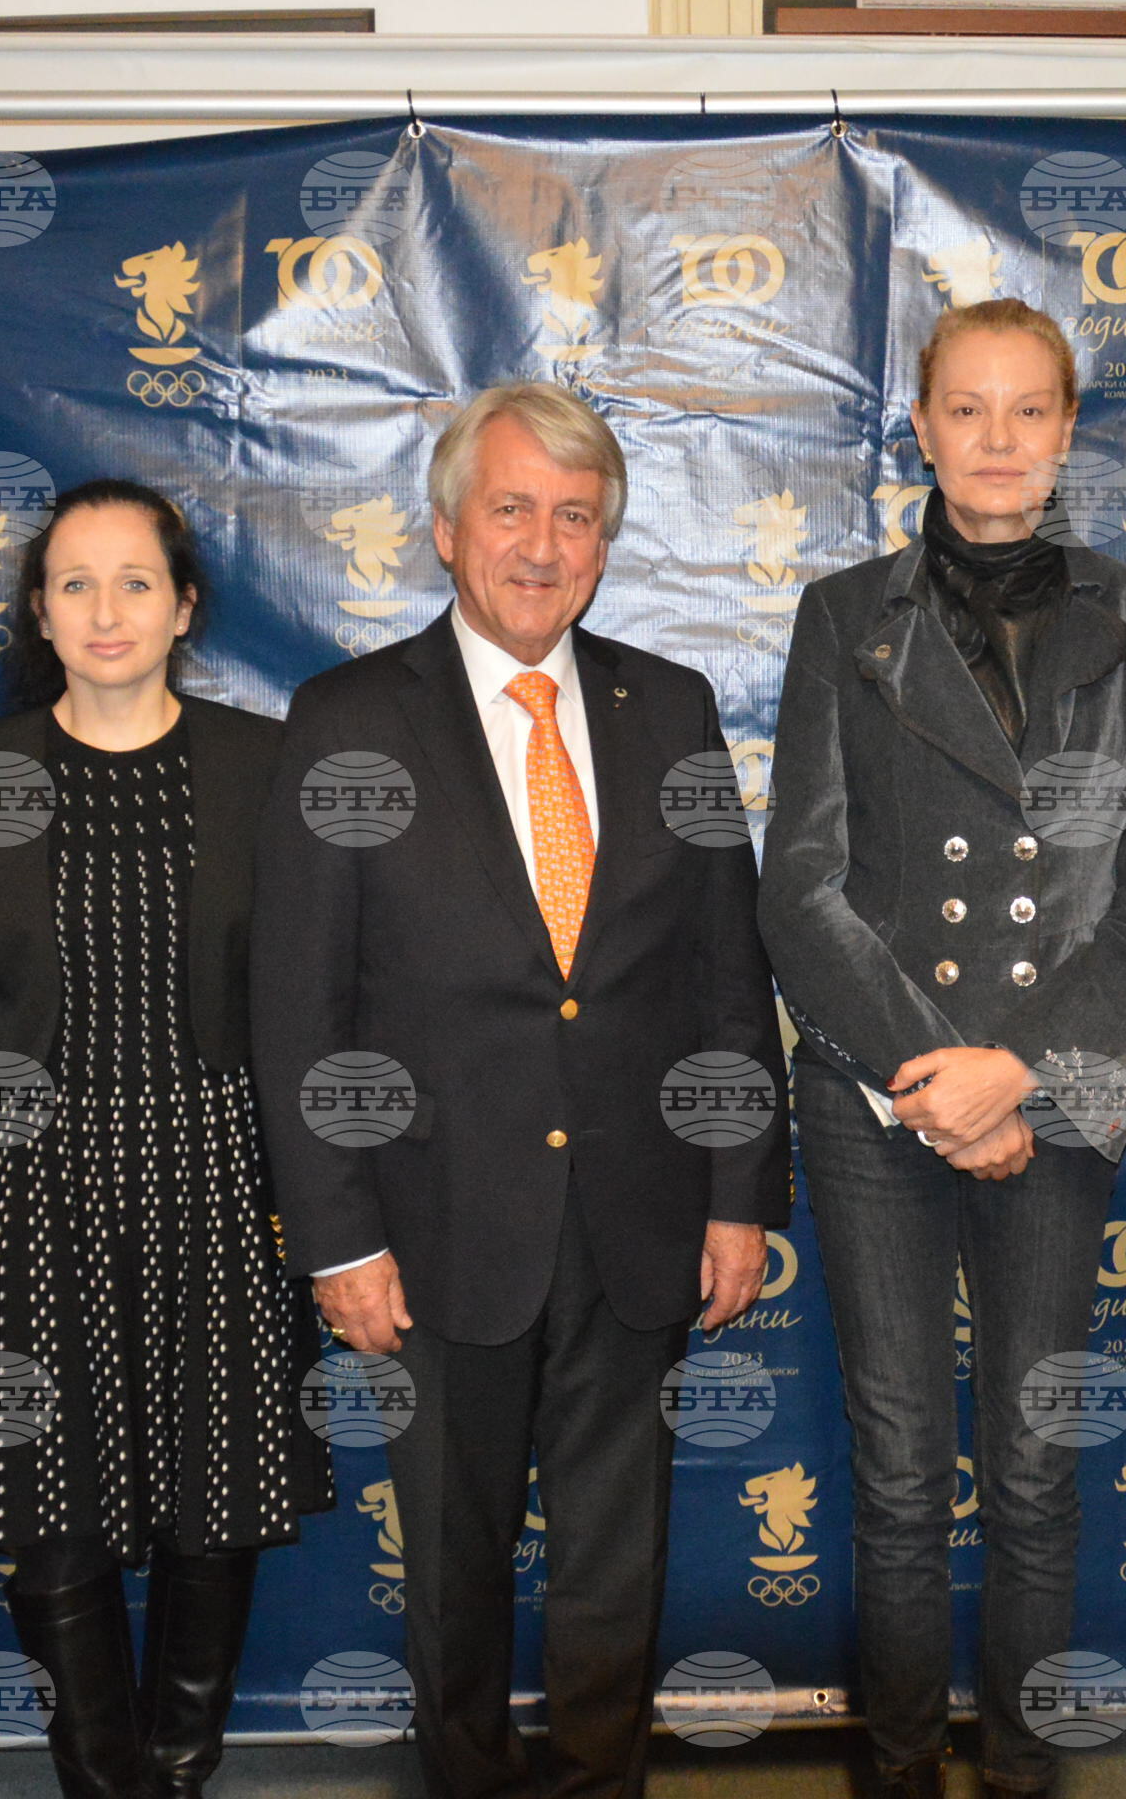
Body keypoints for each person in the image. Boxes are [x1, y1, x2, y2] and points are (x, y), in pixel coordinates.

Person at [250, 382, 788, 1799]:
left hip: (638, 1217)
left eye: (575, 517)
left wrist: (738, 1195)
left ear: (605, 543)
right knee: (454, 1565)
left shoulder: (670, 710)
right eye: (511, 510)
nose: (543, 546)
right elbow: (301, 1012)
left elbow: (727, 979)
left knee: (619, 1566)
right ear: (445, 529)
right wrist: (340, 1240)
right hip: (434, 1226)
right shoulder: (348, 718)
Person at [758, 297, 1126, 1799]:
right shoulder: (846, 616)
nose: (999, 439)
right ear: (922, 427)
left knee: (1033, 1469)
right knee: (897, 1474)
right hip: (876, 1092)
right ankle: (895, 1773)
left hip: (1056, 1094)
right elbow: (801, 887)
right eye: (968, 408)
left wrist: (1015, 1071)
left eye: (1029, 410)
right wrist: (937, 1079)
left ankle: (1022, 1773)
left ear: (1069, 430)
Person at [0, 479, 332, 1799]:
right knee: (51, 1500)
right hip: (34, 1176)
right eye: (76, 584)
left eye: (136, 582)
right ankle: (98, 1778)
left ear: (184, 608)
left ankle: (179, 1766)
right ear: (39, 613)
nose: (107, 611)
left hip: (216, 1169)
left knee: (220, 1486)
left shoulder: (263, 767)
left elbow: (308, 993)